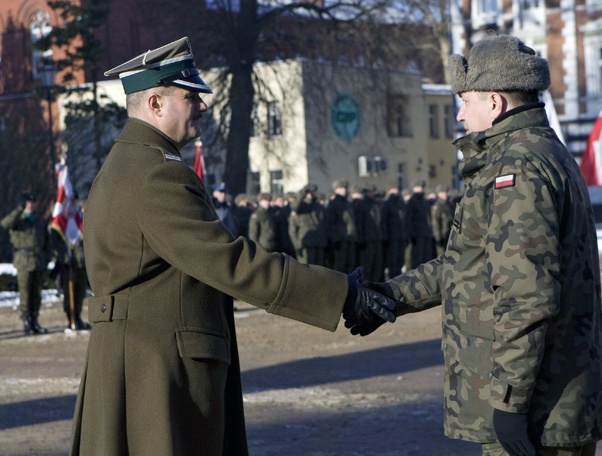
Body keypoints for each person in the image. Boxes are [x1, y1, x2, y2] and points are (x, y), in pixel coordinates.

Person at [70, 37, 395, 455]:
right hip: (155, 375)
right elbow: (231, 262)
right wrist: (341, 294)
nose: (203, 106)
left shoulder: (126, 164)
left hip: (133, 365)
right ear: (155, 103)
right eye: (191, 97)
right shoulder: (157, 175)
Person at [345, 31, 602, 456]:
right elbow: (470, 264)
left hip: (538, 413)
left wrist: (508, 403)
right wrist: (390, 297)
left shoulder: (518, 167)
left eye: (465, 102)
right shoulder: (536, 152)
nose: (460, 115)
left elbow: (526, 297)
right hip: (547, 403)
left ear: (494, 102)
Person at [0, 192, 51, 335]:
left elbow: (46, 242)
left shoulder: (39, 220)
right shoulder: (19, 219)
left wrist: (47, 259)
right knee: (25, 293)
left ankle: (35, 320)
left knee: (36, 294)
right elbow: (5, 224)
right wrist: (18, 209)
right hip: (23, 260)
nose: (32, 205)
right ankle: (26, 321)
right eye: (29, 202)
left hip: (38, 260)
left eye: (33, 202)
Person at [50, 220, 91, 330]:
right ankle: (71, 319)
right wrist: (63, 257)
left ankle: (77, 317)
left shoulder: (79, 218)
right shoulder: (62, 220)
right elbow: (54, 241)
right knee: (69, 294)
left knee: (80, 293)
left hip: (81, 263)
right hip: (67, 265)